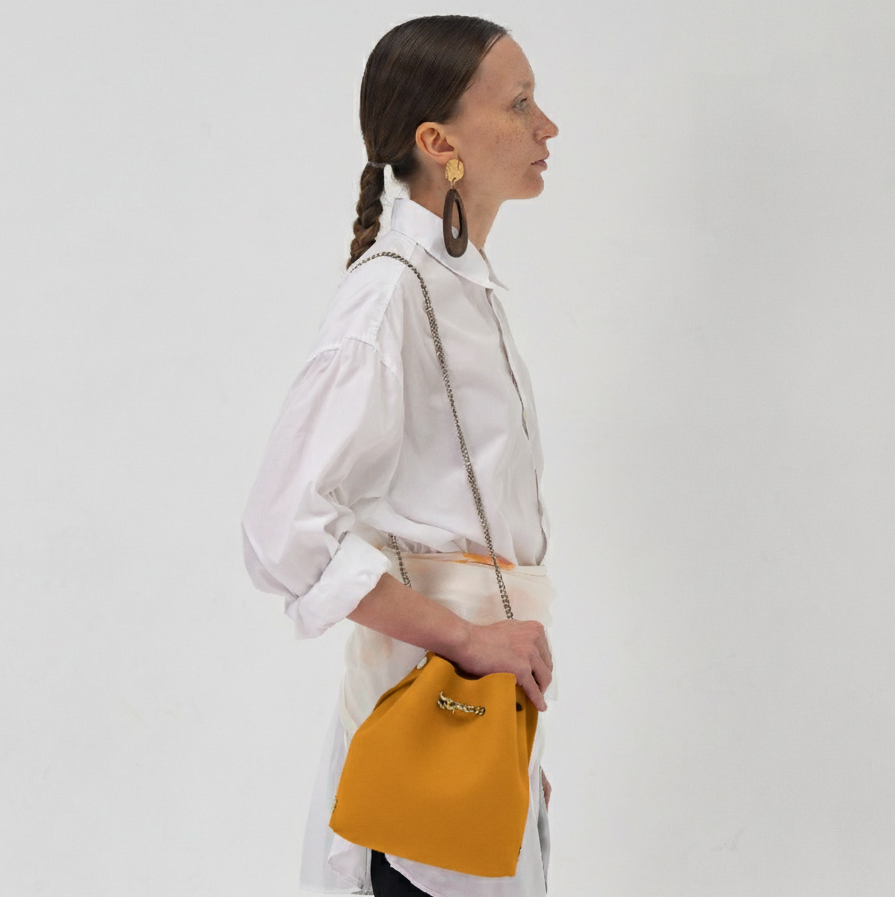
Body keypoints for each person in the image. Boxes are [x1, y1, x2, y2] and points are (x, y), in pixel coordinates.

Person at [242, 15, 560, 897]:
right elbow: (282, 530)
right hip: (429, 711)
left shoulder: (463, 292)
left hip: (478, 714)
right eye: (522, 102)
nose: (548, 127)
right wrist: (464, 634)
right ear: (439, 142)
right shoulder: (389, 298)